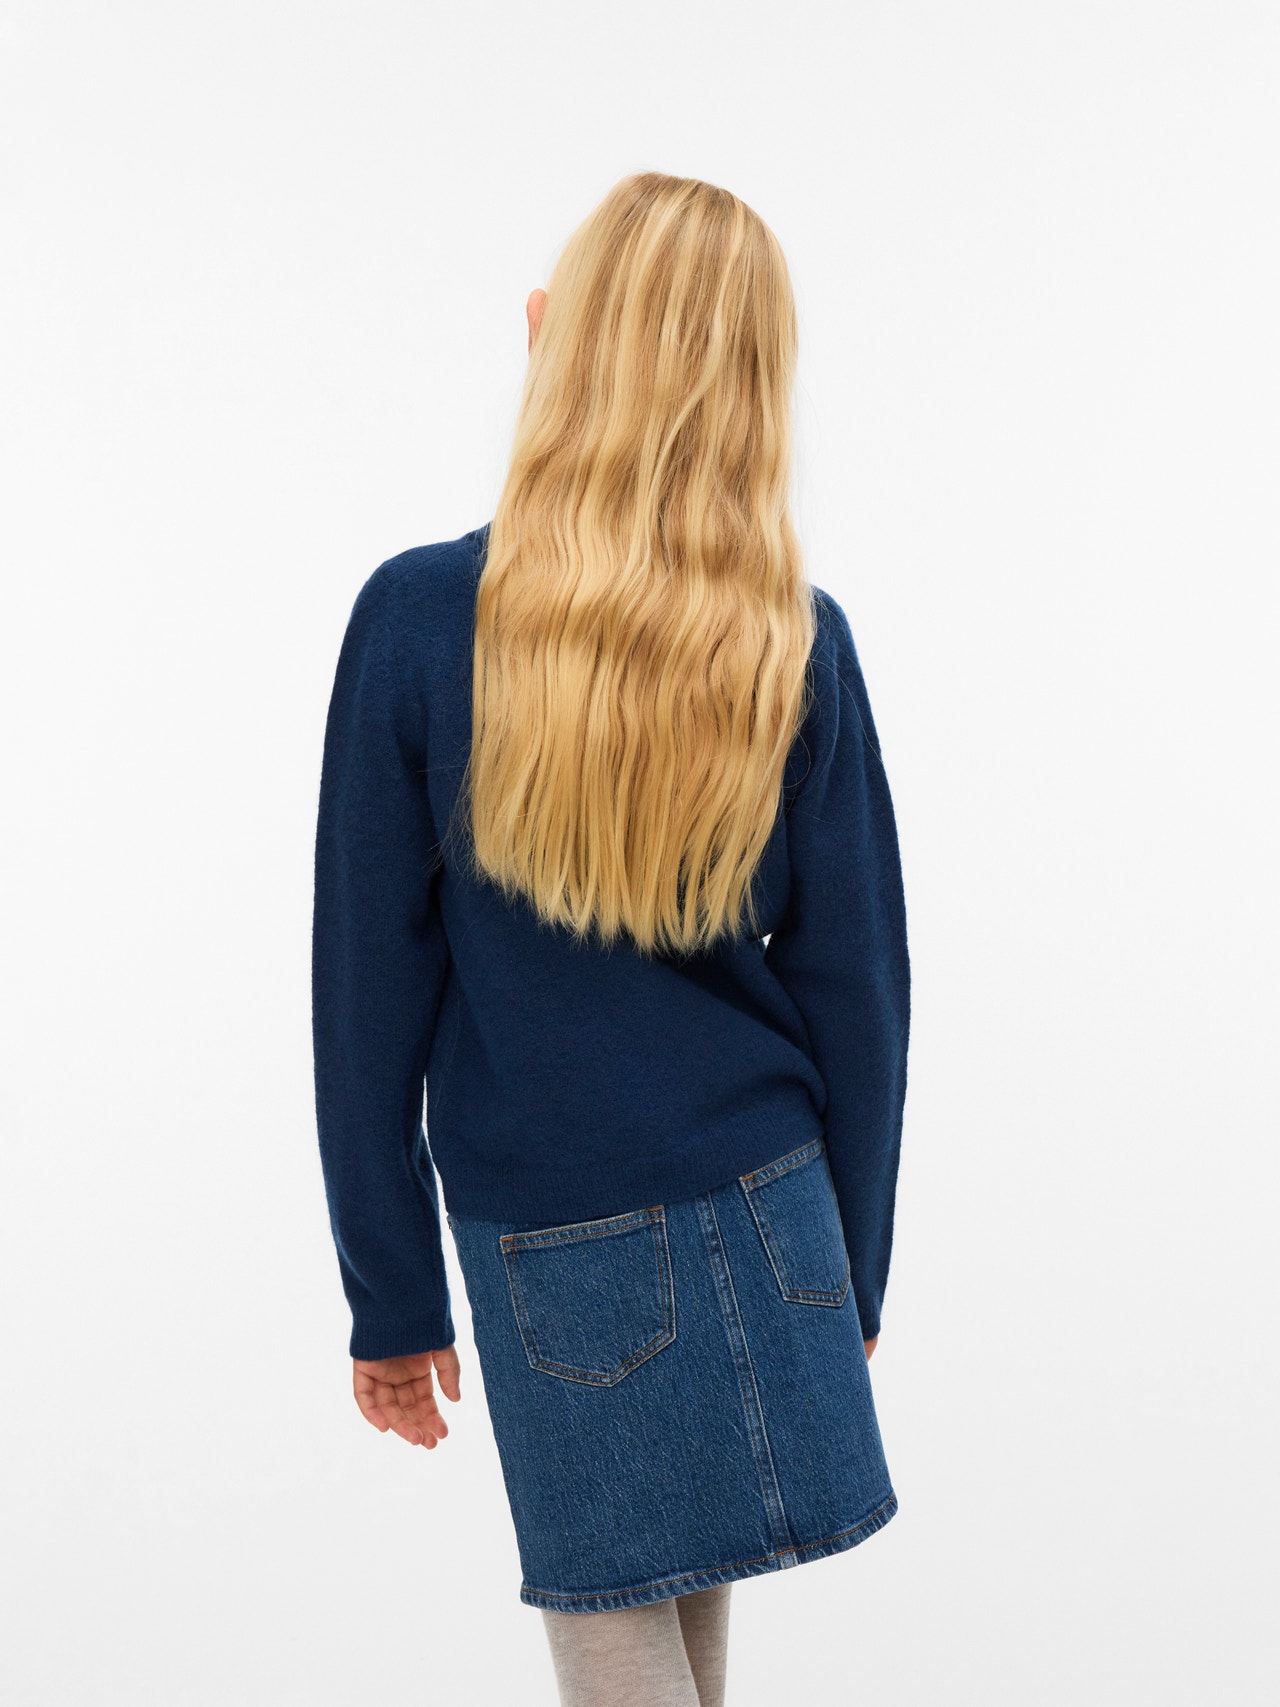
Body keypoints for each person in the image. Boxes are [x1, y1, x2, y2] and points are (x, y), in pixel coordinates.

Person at [311, 170, 911, 1707]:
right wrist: (851, 1270)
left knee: (620, 1641)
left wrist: (391, 1293)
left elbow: (367, 997)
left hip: (558, 1230)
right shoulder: (792, 636)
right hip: (777, 1205)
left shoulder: (422, 622)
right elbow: (859, 989)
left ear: (551, 340)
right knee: (684, 1636)